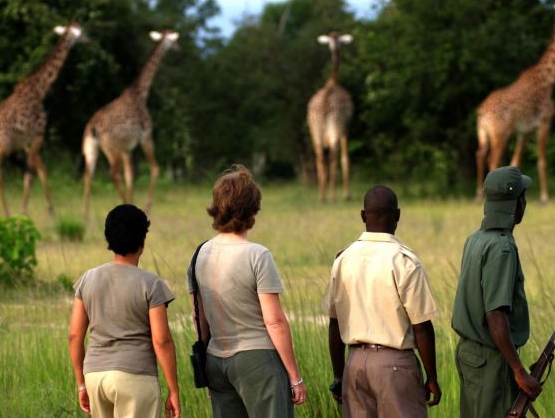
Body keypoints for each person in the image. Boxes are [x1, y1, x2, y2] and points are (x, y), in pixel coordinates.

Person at [188, 164, 307, 418]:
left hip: (216, 360)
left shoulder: (199, 254)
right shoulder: (258, 255)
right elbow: (274, 320)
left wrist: (208, 368)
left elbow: (199, 318)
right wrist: (295, 377)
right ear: (252, 208)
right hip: (257, 360)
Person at [323, 184, 442, 418]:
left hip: (354, 364)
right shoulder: (405, 261)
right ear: (398, 215)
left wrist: (339, 376)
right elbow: (422, 327)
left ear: (362, 216)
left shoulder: (343, 259)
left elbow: (334, 324)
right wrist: (432, 378)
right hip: (395, 367)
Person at [69, 204, 180, 418]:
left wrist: (81, 384)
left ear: (108, 239)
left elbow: (74, 336)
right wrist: (173, 390)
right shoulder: (151, 284)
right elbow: (162, 341)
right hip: (135, 378)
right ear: (142, 243)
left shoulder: (87, 279)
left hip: (95, 377)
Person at [451, 166, 542, 417]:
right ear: (516, 205)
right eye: (522, 197)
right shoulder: (502, 248)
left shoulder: (476, 238)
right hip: (491, 359)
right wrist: (519, 371)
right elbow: (496, 316)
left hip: (470, 353)